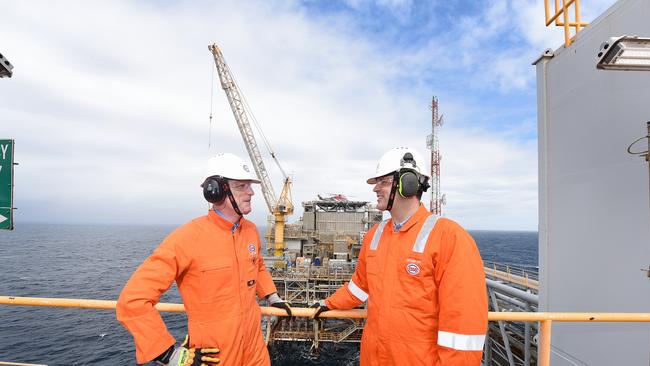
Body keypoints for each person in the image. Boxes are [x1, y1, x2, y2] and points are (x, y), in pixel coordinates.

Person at [311, 147, 488, 366]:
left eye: (383, 182)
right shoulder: (374, 235)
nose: (376, 188)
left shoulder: (449, 238)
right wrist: (328, 303)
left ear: (408, 184)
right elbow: (359, 287)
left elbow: (463, 331)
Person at [116, 153, 292, 366]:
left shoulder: (251, 231)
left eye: (249, 185)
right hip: (215, 356)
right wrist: (169, 355)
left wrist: (273, 297)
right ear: (215, 191)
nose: (251, 192)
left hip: (255, 352)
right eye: (241, 186)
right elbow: (132, 301)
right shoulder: (187, 238)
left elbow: (258, 266)